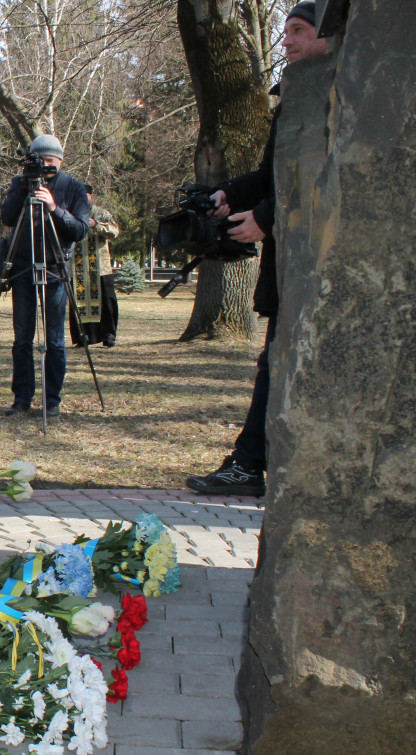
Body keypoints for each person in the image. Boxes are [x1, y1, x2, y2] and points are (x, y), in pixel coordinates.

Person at [186, 1, 328, 497]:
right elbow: (274, 175)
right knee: (274, 362)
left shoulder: (341, 93)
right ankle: (249, 464)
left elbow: (323, 175)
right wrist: (227, 194)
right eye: (285, 30)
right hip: (292, 268)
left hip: (322, 267)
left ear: (329, 35)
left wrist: (265, 218)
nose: (286, 40)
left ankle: (252, 465)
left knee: (281, 364)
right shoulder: (294, 98)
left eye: (299, 30)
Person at [0, 134, 90, 417]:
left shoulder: (73, 187)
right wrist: (23, 187)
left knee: (54, 339)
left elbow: (80, 230)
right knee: (22, 338)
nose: (45, 166)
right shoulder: (20, 183)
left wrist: (54, 208)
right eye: (40, 160)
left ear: (59, 161)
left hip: (54, 269)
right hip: (23, 268)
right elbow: (7, 217)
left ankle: (52, 400)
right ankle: (22, 398)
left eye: (50, 161)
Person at [70, 186, 120, 348]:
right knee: (79, 304)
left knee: (107, 302)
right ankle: (83, 337)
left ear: (92, 197)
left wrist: (96, 225)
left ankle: (109, 335)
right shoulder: (70, 213)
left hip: (101, 267)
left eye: (85, 196)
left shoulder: (101, 213)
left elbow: (114, 231)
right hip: (77, 268)